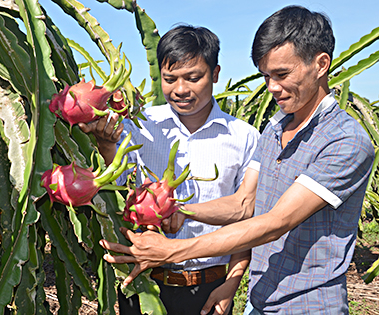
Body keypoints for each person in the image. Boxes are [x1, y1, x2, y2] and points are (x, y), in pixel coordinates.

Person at [99, 6, 375, 314]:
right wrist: (180, 210)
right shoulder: (274, 128)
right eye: (266, 76)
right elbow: (244, 205)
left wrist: (174, 249)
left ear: (321, 64)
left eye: (282, 75)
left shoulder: (344, 140)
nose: (271, 87)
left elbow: (275, 222)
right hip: (260, 301)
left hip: (308, 305)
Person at [80, 25, 260, 314]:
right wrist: (105, 143)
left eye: (193, 78)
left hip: (210, 287)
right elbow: (117, 179)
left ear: (215, 74)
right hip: (142, 281)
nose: (180, 90)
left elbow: (245, 217)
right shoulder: (139, 125)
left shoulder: (245, 137)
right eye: (170, 79)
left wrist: (232, 282)